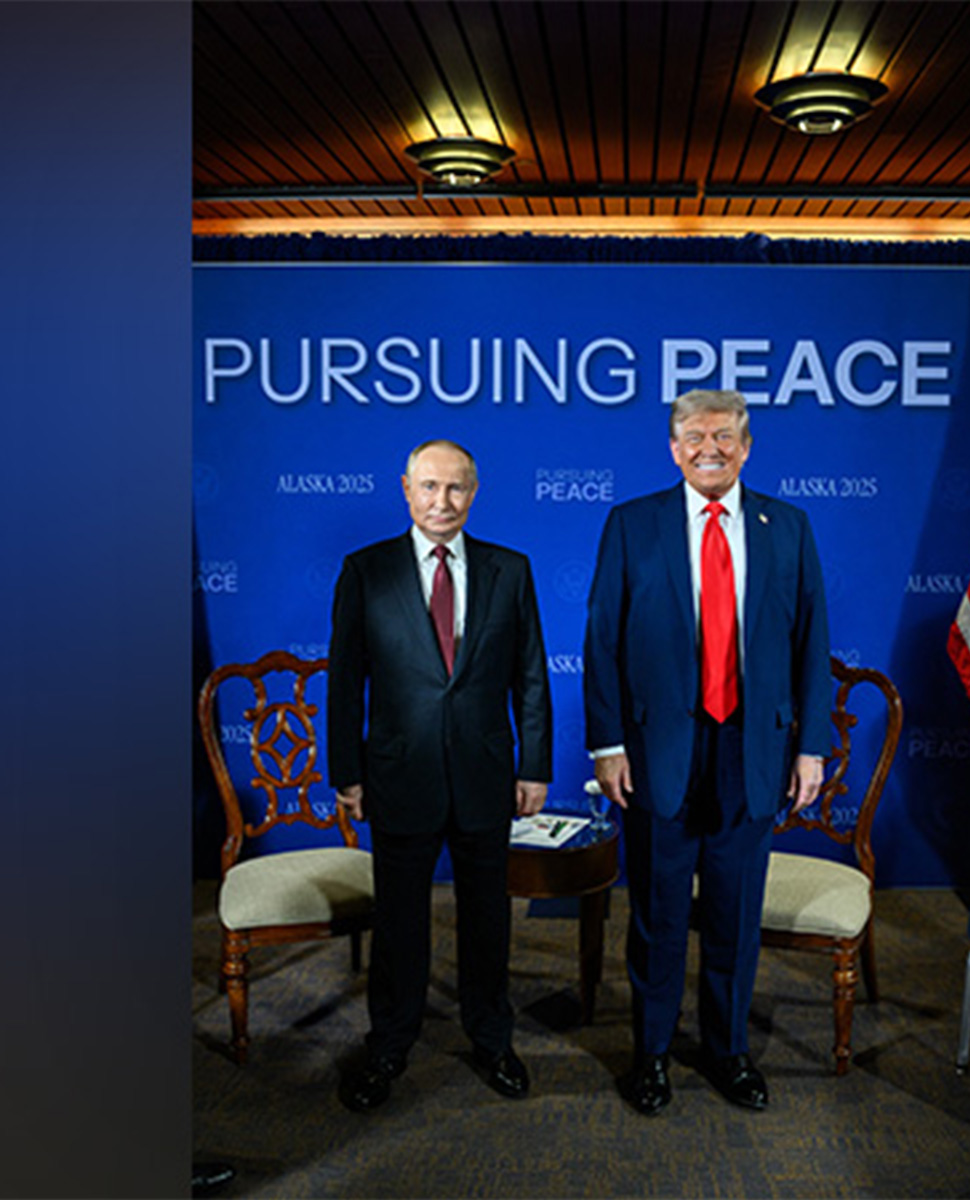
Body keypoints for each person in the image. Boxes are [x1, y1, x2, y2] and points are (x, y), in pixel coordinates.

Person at [583, 389, 830, 1116]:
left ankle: (728, 1052)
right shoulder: (632, 524)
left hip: (753, 753)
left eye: (723, 436)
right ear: (672, 447)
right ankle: (652, 1055)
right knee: (658, 916)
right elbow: (602, 643)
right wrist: (608, 746)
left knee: (734, 913)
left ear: (747, 446)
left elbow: (812, 644)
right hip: (657, 755)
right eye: (693, 437)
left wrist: (810, 749)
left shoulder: (787, 526)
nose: (708, 448)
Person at [328, 438, 552, 1112]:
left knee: (488, 920)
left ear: (474, 493)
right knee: (400, 924)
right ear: (405, 490)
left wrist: (534, 765)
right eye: (429, 487)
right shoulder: (365, 571)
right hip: (397, 776)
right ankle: (390, 1045)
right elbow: (344, 683)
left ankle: (492, 1038)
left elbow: (532, 678)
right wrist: (348, 771)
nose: (442, 501)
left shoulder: (510, 570)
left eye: (455, 488)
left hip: (487, 776)